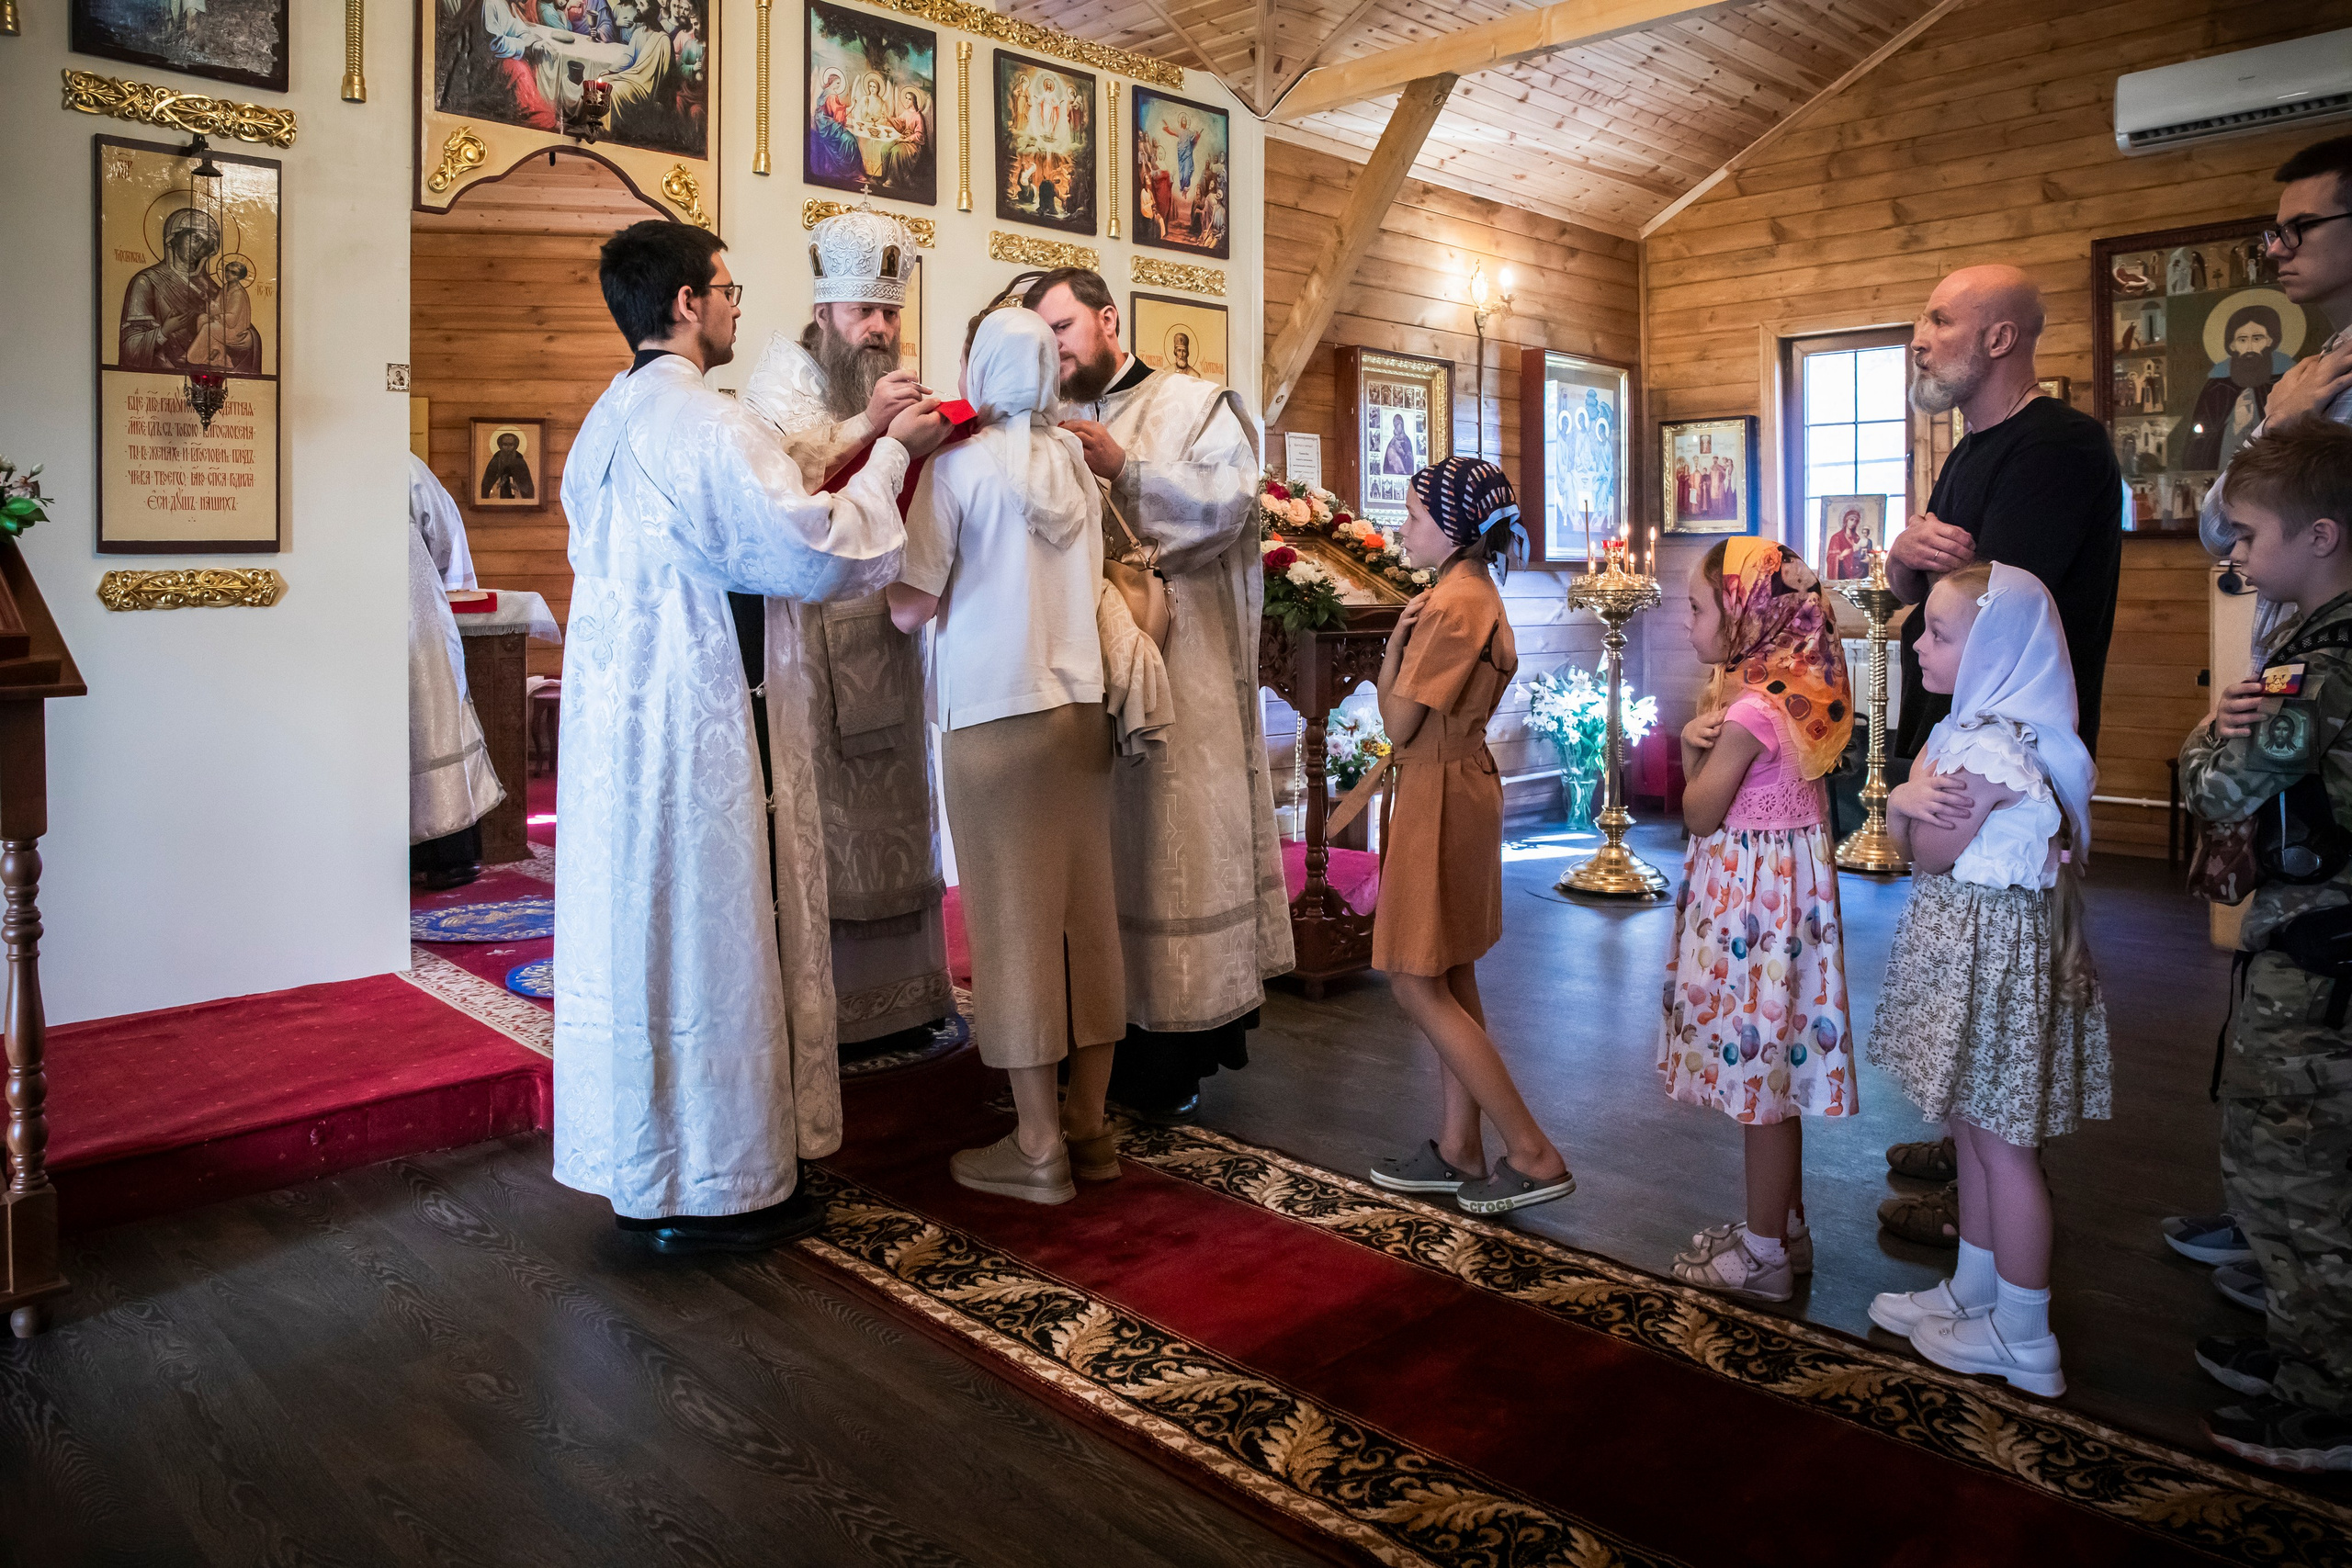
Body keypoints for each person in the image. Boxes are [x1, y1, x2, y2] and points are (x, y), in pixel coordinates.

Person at [552, 220, 947, 1257]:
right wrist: (892, 452)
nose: (735, 305)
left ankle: (648, 1167)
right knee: (711, 941)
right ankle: (721, 1181)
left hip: (624, 737)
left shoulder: (606, 419)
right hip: (704, 732)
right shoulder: (708, 423)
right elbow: (811, 549)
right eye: (724, 289)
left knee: (648, 943)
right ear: (686, 302)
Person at [1876, 264, 2121, 1247]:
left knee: (1997, 964)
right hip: (1963, 735)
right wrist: (1900, 558)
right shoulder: (1969, 450)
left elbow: (1994, 603)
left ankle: (1992, 1178)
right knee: (1959, 950)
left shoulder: (2057, 446)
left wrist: (1919, 574)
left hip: (2006, 754)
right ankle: (1966, 1137)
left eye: (1940, 319)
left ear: (2000, 339)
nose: (1919, 336)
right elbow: (1927, 594)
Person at [1021, 267, 1293, 1122]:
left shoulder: (1193, 404)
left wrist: (1128, 471)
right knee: (1095, 861)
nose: (1055, 350)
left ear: (1108, 319)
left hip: (1185, 678)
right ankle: (1090, 1047)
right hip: (1082, 686)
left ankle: (1171, 1055)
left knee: (1168, 856)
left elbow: (1230, 504)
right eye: (1041, 338)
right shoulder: (1042, 418)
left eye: (1063, 328)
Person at [888, 307, 1123, 1203]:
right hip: (1080, 713)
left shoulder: (957, 469)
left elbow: (910, 605)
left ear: (981, 371)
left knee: (1012, 929)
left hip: (993, 719)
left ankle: (1034, 1148)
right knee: (1086, 921)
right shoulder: (1076, 465)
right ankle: (1089, 1127)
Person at [2177, 134, 2352, 1292]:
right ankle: (2276, 1216)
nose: (2276, 249)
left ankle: (2310, 1272)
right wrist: (2272, 423)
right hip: (2290, 673)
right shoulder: (2308, 370)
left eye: (2300, 227)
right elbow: (2222, 526)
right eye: (2271, 230)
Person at [1866, 562, 2109, 1400]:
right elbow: (1918, 849)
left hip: (1988, 963)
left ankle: (2026, 1330)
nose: (1919, 645)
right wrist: (1909, 807)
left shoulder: (1987, 750)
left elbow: (1926, 851)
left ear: (1996, 652)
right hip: (1975, 958)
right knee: (1971, 1132)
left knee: (2004, 1146)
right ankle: (1976, 1287)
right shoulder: (1980, 735)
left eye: (1939, 633)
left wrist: (1900, 798)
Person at [2177, 421, 2352, 1472]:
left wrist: (2210, 731)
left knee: (2293, 1173)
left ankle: (2324, 1398)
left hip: (2318, 957)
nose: (2235, 552)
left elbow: (2217, 790)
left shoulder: (2315, 671)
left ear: (2319, 535)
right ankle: (2305, 1353)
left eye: (2247, 534)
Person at [738, 210, 954, 1057]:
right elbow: (779, 485)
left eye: (891, 312)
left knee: (900, 803)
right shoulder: (778, 384)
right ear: (824, 310)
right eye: (865, 310)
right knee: (830, 821)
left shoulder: (894, 379)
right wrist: (870, 426)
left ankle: (910, 996)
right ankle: (834, 1011)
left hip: (888, 628)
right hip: (813, 640)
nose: (881, 328)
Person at [1363, 458, 1574, 1214]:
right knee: (1449, 971)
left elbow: (1398, 722)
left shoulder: (1451, 603)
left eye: (1415, 516)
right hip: (1458, 780)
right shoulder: (1473, 590)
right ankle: (1459, 1146)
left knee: (1413, 977)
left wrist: (1392, 649)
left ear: (1454, 528)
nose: (1402, 529)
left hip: (1439, 790)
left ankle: (1531, 1149)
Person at [1661, 539, 1859, 1301]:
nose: (1687, 622)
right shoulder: (1792, 693)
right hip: (1784, 911)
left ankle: (1765, 1254)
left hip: (1754, 916)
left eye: (1697, 608)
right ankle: (1786, 1227)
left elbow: (1699, 811)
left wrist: (1687, 749)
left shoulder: (1749, 711)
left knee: (1760, 1086)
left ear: (1747, 615)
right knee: (1775, 1070)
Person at [407, 456, 502, 891]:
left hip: (394, 616)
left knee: (429, 723)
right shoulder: (403, 466)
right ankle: (448, 858)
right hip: (414, 613)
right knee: (432, 723)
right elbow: (443, 535)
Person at [480, 431, 535, 502]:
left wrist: (517, 486)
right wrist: (499, 484)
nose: (508, 448)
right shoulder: (495, 461)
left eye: (511, 445)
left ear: (515, 446)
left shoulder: (520, 461)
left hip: (517, 502)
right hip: (497, 501)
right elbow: (486, 486)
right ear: (500, 446)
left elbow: (528, 488)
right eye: (505, 445)